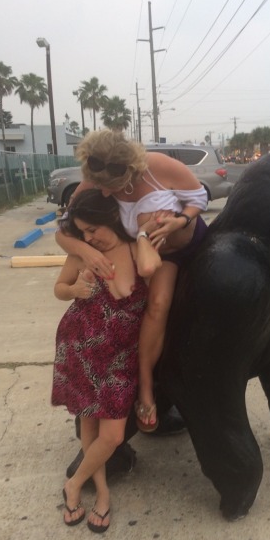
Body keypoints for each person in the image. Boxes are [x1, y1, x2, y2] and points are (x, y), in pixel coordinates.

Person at [56, 130, 208, 433]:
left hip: (180, 248)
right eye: (100, 186)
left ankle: (149, 388)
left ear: (130, 169)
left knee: (164, 305)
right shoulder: (94, 178)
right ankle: (133, 386)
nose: (106, 193)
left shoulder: (159, 166)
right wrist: (84, 249)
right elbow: (63, 229)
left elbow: (199, 198)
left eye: (112, 186)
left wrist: (180, 220)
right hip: (145, 254)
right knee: (142, 308)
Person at [52, 189, 157, 532]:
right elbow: (59, 288)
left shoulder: (134, 250)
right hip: (82, 349)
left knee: (111, 435)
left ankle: (72, 485)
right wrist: (76, 290)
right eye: (81, 232)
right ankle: (101, 493)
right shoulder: (85, 254)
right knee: (90, 426)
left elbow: (155, 285)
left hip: (121, 360)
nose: (87, 237)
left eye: (92, 229)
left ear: (111, 218)